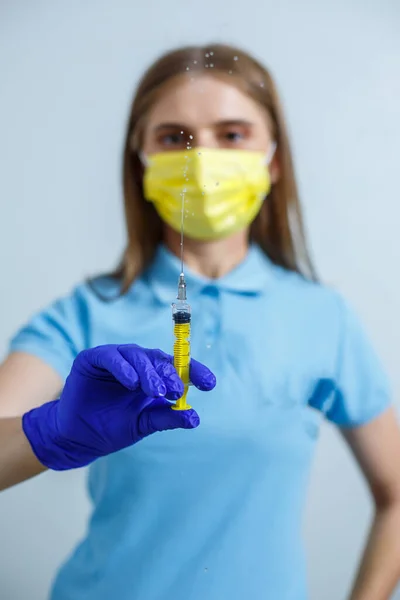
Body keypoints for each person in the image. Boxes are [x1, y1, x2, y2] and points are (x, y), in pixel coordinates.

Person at [1, 43, 400, 600]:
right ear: (138, 158)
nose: (201, 159)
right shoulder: (86, 313)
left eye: (232, 134)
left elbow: (397, 494)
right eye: (173, 138)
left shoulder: (321, 317)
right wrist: (49, 434)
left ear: (274, 161)